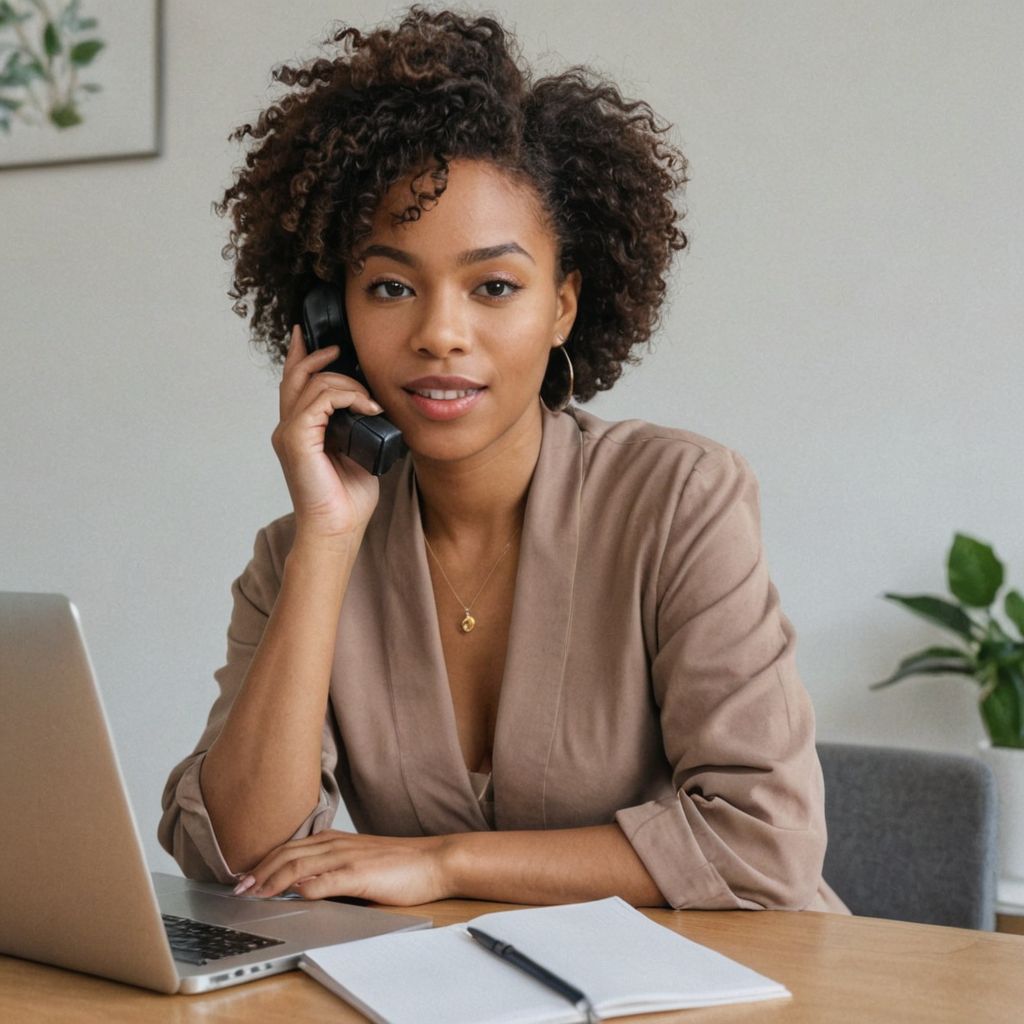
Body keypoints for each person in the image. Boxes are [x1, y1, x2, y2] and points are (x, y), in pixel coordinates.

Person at [160, 6, 847, 913]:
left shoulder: (679, 499)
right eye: (391, 287)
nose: (440, 334)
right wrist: (328, 540)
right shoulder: (297, 555)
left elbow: (761, 844)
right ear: (331, 318)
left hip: (719, 986)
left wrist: (444, 864)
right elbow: (243, 854)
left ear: (562, 306)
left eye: (494, 287)